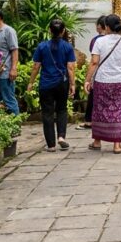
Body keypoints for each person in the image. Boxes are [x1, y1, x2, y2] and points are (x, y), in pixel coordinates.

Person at [85, 14, 121, 154]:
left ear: (106, 26)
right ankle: (117, 144)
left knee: (99, 111)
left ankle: (97, 141)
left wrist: (87, 80)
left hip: (103, 80)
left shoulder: (99, 42)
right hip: (120, 80)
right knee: (119, 111)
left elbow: (94, 62)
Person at [26, 19, 76, 152]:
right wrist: (72, 84)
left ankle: (51, 145)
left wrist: (30, 82)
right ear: (63, 31)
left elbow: (36, 66)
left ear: (49, 30)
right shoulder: (67, 47)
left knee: (47, 113)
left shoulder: (42, 46)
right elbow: (70, 67)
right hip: (62, 83)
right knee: (62, 109)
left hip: (46, 84)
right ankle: (61, 137)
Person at [76, 16, 108, 131]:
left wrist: (87, 79)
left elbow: (94, 60)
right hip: (113, 74)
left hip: (99, 72)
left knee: (93, 97)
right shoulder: (117, 40)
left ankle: (89, 121)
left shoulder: (96, 40)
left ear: (100, 26)